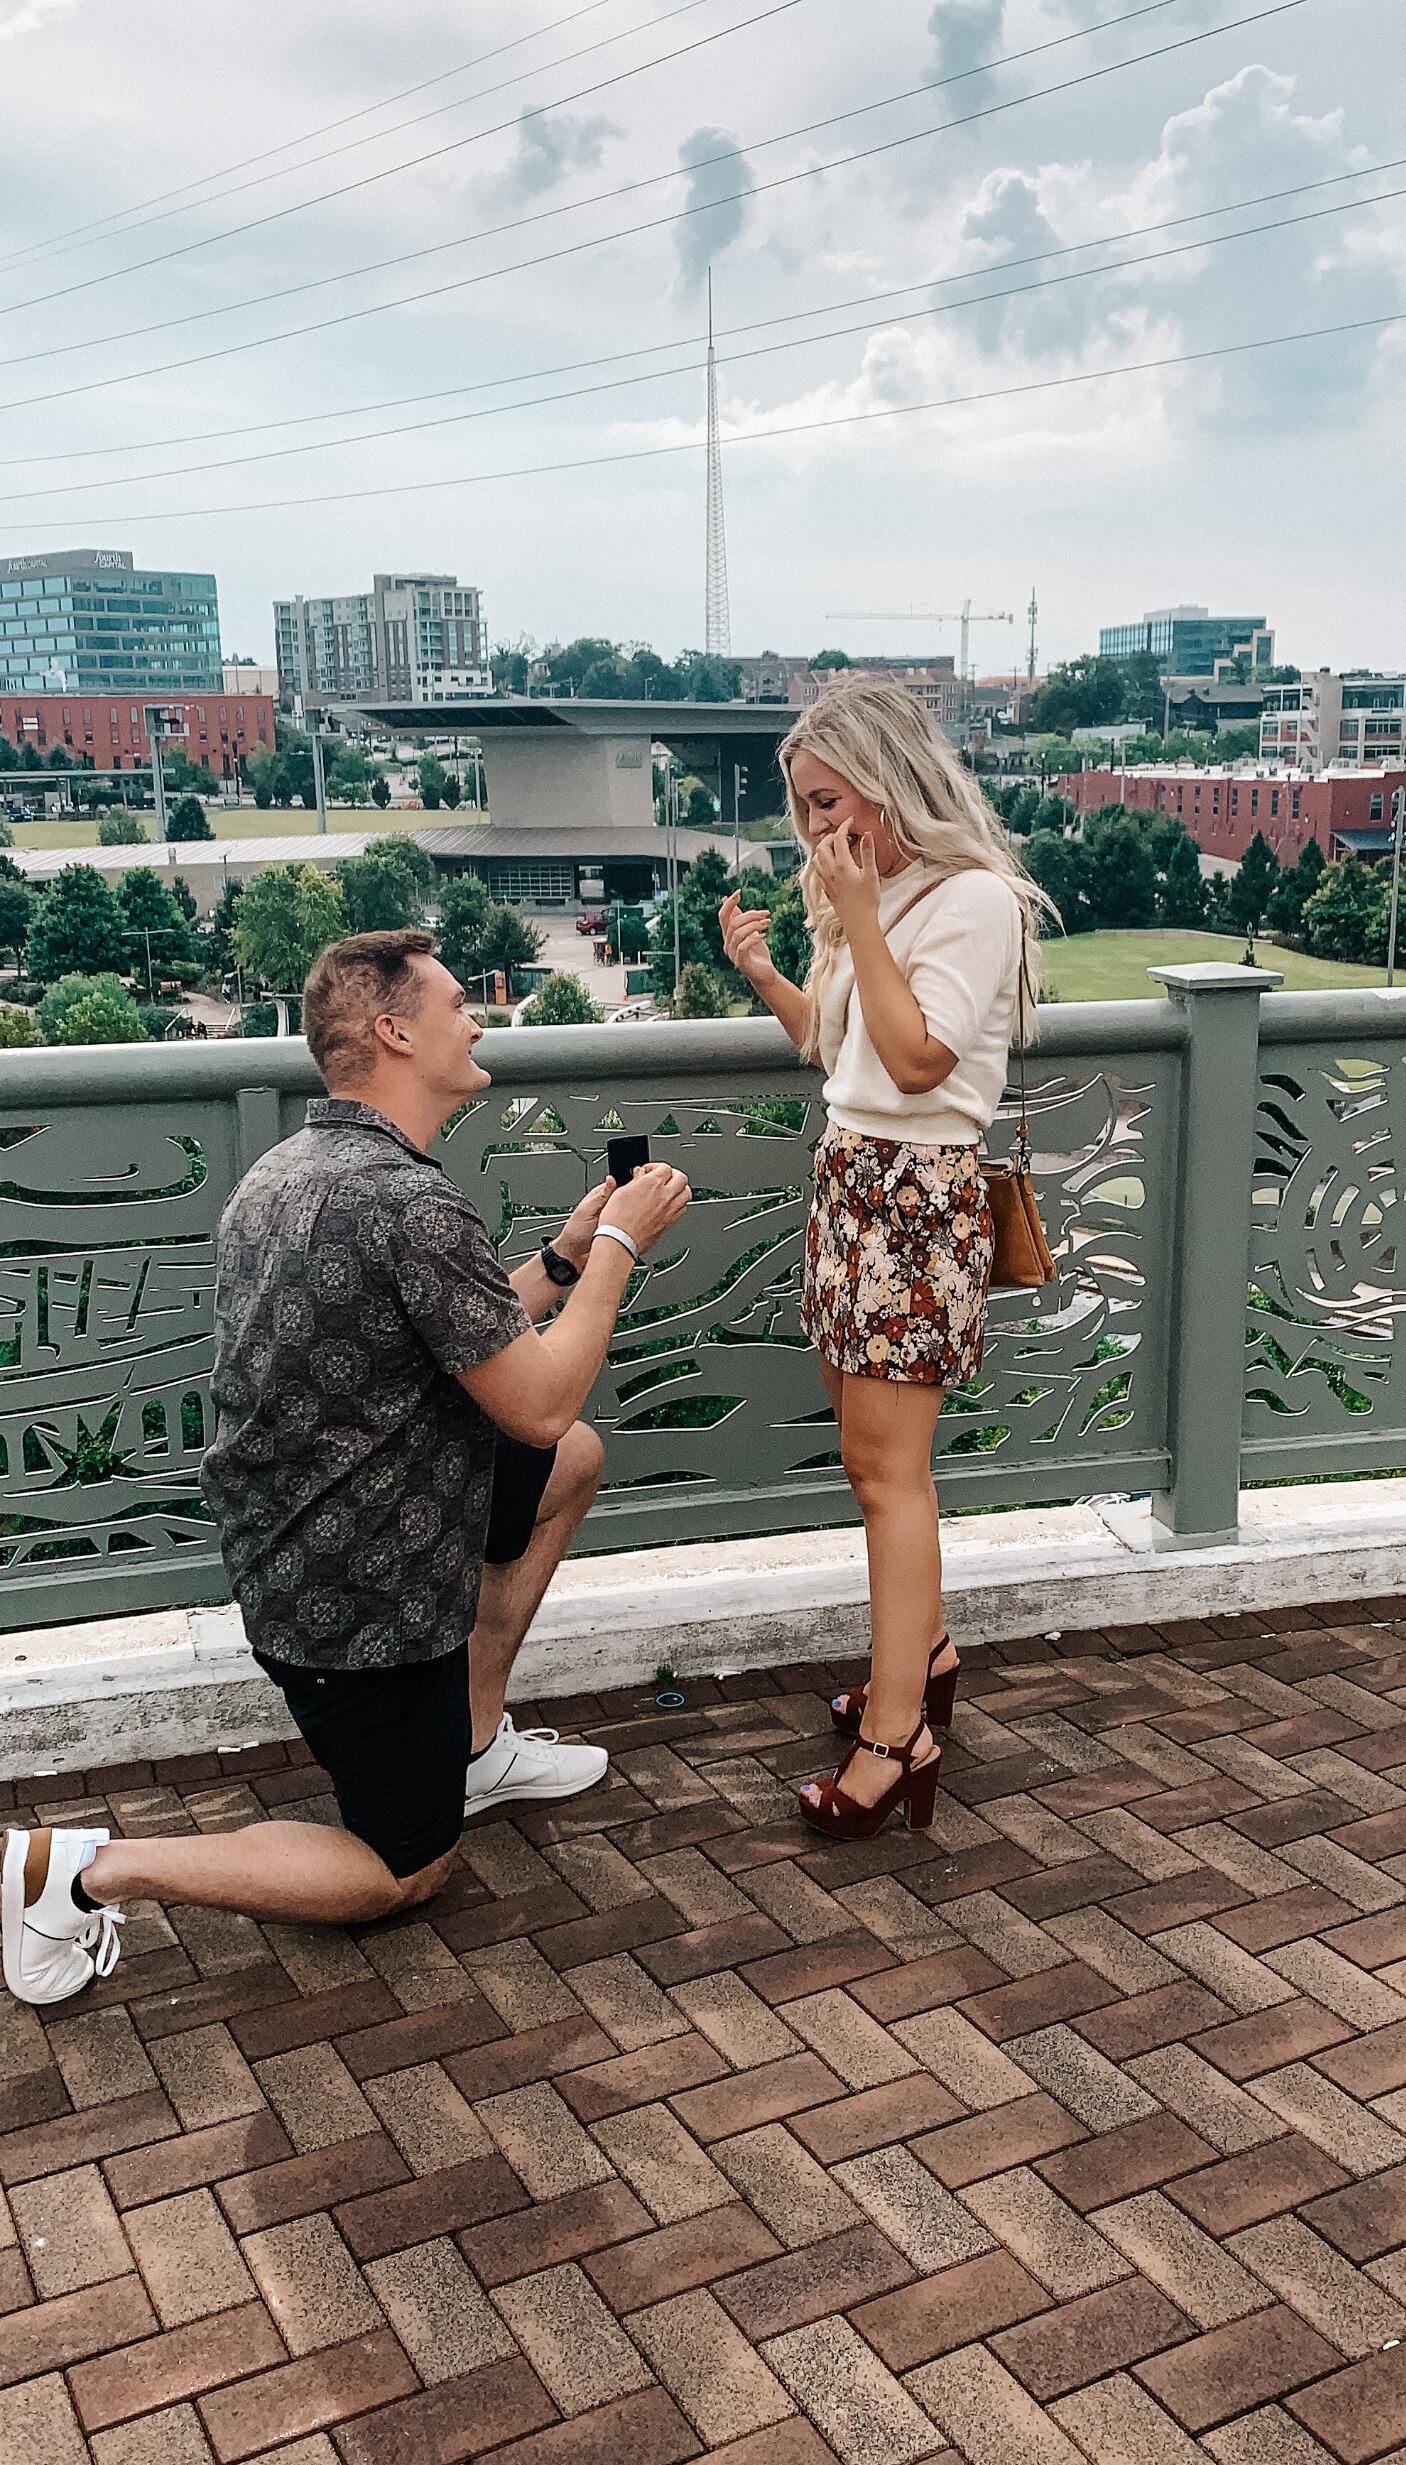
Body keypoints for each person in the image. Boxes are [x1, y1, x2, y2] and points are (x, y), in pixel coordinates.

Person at [2, 929, 690, 2007]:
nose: (477, 1022)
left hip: (311, 1536)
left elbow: (463, 1335)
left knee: (568, 1463)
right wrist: (621, 1247)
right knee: (404, 1867)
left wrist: (563, 1254)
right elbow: (540, 1395)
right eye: (457, 1004)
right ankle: (79, 1872)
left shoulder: (291, 1169)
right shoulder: (409, 1200)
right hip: (359, 1596)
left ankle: (473, 1746)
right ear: (395, 1031)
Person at [720, 676, 1043, 1841]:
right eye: (803, 807)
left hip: (913, 1199)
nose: (815, 826)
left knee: (887, 1475)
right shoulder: (873, 893)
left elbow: (916, 1064)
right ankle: (924, 1655)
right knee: (870, 1465)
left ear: (886, 777)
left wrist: (855, 910)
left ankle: (898, 1737)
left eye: (827, 799)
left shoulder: (970, 898)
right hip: (850, 1184)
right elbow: (839, 1048)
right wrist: (767, 973)